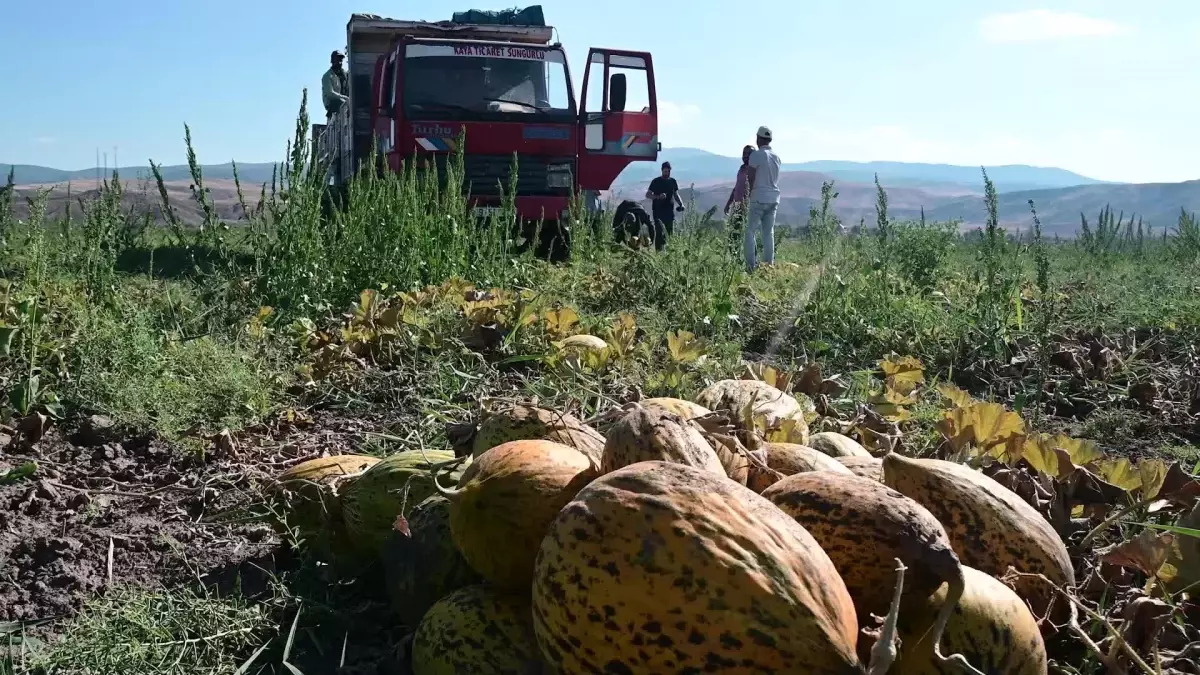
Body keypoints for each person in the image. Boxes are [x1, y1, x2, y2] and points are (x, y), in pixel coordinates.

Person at [744, 126, 781, 272]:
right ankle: (769, 265)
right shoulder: (776, 157)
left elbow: (751, 177)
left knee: (749, 231)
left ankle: (750, 266)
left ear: (758, 139)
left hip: (758, 197)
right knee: (768, 232)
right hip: (774, 197)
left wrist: (747, 195)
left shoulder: (756, 155)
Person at [645, 161, 684, 251]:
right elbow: (648, 194)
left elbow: (676, 194)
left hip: (669, 212)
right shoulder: (656, 181)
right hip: (658, 212)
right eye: (665, 171)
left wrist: (681, 204)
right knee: (659, 233)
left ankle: (669, 253)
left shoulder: (672, 181)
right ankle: (659, 253)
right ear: (662, 170)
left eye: (668, 171)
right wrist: (658, 197)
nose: (667, 173)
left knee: (670, 233)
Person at [724, 145, 754, 251]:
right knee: (733, 234)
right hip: (737, 206)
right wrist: (728, 203)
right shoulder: (741, 169)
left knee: (746, 234)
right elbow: (737, 187)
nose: (745, 156)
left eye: (748, 154)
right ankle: (734, 259)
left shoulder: (754, 170)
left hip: (747, 207)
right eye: (744, 154)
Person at [322, 50, 350, 119]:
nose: (340, 62)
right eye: (337, 60)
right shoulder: (327, 76)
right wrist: (345, 98)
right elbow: (330, 94)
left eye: (341, 60)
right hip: (332, 103)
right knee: (341, 102)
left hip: (344, 100)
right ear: (332, 61)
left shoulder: (345, 74)